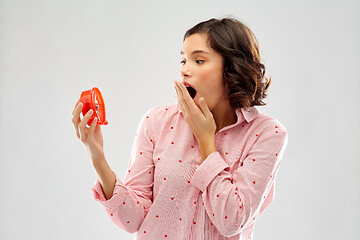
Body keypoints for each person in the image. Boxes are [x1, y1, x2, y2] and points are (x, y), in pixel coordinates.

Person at [71, 17, 288, 240]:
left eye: (199, 61)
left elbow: (231, 220)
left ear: (232, 68)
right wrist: (97, 157)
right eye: (183, 61)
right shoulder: (156, 122)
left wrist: (206, 143)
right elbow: (134, 219)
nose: (184, 70)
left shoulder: (266, 134)